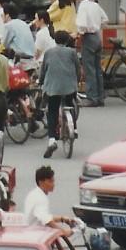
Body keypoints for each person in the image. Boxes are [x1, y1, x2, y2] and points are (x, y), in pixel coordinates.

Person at [40, 30, 81, 158]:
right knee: (71, 103)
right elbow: (78, 69)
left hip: (53, 88)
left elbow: (44, 70)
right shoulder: (72, 52)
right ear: (67, 40)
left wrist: (41, 82)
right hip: (70, 86)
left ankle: (52, 140)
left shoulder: (48, 53)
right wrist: (77, 81)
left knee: (52, 111)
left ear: (55, 40)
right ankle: (74, 128)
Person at [74, 0, 108, 107]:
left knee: (89, 70)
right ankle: (100, 96)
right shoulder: (95, 5)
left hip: (88, 38)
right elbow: (105, 19)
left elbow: (81, 25)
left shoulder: (82, 6)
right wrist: (96, 25)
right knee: (98, 69)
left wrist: (79, 34)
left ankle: (92, 98)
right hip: (97, 37)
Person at [23, 166, 74, 234]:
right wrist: (63, 232)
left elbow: (43, 216)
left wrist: (62, 219)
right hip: (36, 235)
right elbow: (47, 221)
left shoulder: (35, 194)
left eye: (53, 181)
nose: (53, 184)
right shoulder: (40, 198)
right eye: (50, 181)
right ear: (41, 182)